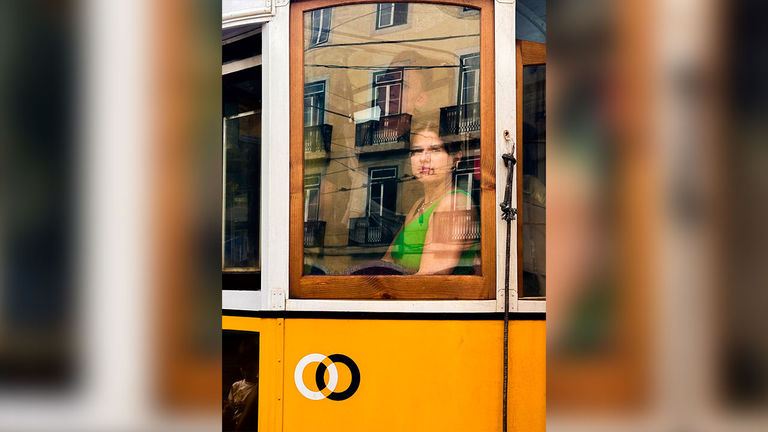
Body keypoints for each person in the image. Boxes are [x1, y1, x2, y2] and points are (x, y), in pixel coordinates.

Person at [382, 128, 479, 275]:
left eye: (435, 150)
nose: (424, 158)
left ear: (455, 158)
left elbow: (429, 280)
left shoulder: (453, 203)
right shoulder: (418, 205)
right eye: (417, 151)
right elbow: (386, 262)